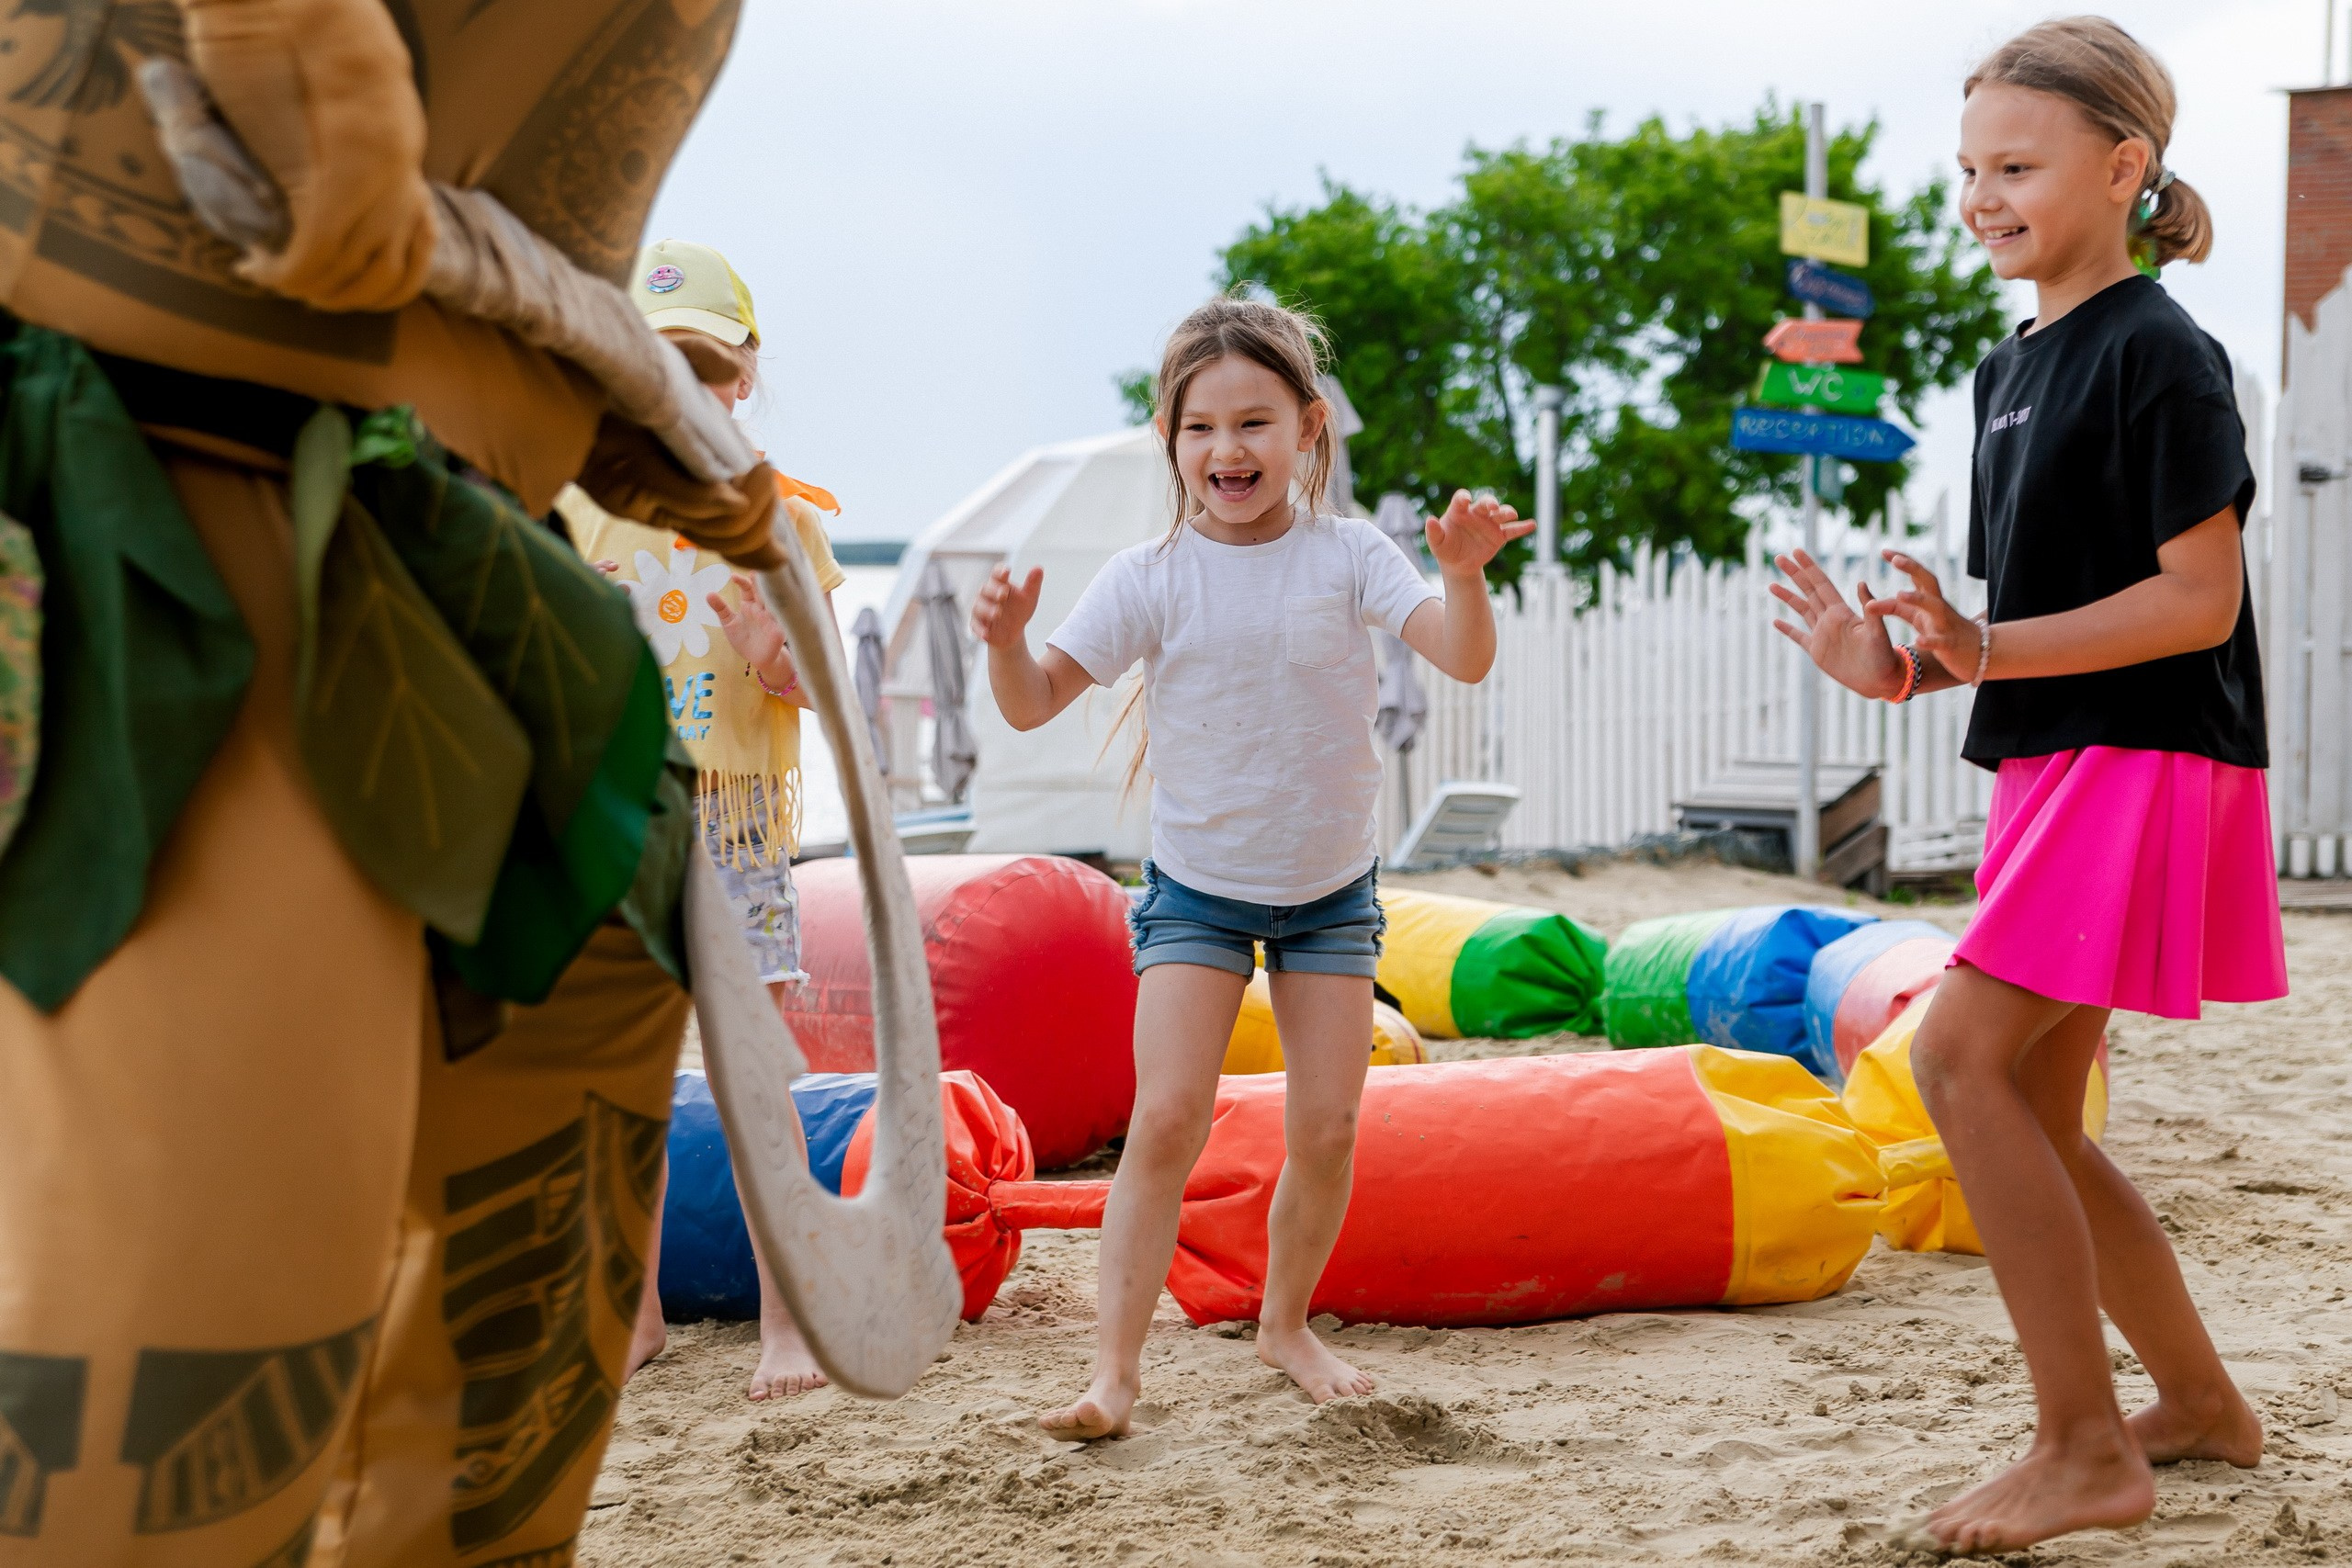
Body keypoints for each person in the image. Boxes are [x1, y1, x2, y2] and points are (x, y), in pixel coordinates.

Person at [1770, 17, 2283, 1553]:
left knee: (1961, 1065)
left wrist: (1982, 641)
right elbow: (2026, 631)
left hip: (2148, 757)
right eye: (1969, 169)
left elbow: (2197, 601)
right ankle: (2194, 1406)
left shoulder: (2163, 354)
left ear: (2124, 169)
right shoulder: (2010, 365)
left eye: (2018, 164)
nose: (1983, 194)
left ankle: (2081, 1447)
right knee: (2041, 1114)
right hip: (2061, 761)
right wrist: (1904, 665)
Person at [972, 295, 1529, 1438]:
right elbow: (1031, 707)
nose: (1227, 451)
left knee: (1326, 1128)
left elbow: (1462, 660)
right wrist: (1000, 646)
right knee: (1167, 1116)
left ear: (1307, 428)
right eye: (1199, 429)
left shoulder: (1350, 556)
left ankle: (1285, 1325)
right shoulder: (1149, 575)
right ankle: (1113, 1376)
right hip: (1196, 892)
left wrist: (1464, 575)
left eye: (1254, 423)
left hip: (1330, 891)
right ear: (1169, 441)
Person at [556, 239, 851, 1404]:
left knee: (750, 1079)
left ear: (744, 380)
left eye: (709, 371)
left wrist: (769, 655)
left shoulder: (777, 519)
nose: (685, 391)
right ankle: (635, 1324)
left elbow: (820, 690)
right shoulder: (579, 508)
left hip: (731, 824)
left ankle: (787, 1325)